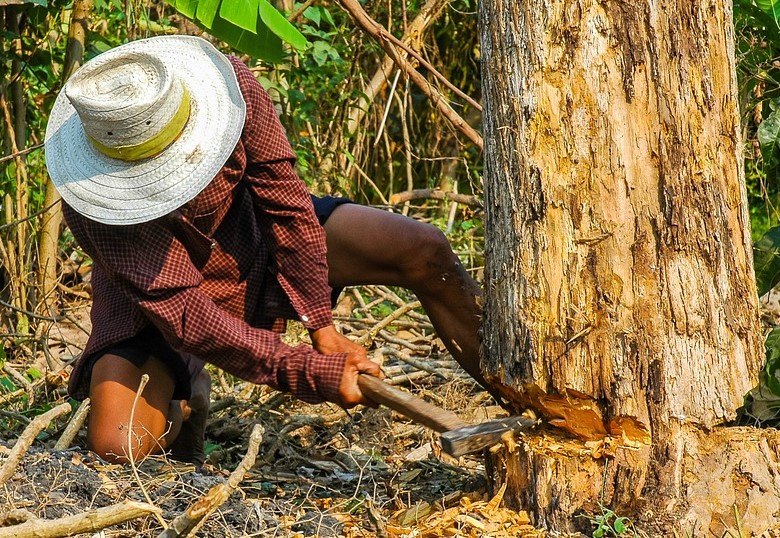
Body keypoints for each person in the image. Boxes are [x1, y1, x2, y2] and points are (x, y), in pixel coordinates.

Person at [45, 35, 490, 466]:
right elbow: (185, 316)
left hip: (253, 237)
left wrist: (322, 326)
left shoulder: (231, 90)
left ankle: (520, 395)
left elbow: (288, 207)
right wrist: (308, 372)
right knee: (115, 444)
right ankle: (187, 388)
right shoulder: (93, 209)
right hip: (160, 299)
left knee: (423, 249)